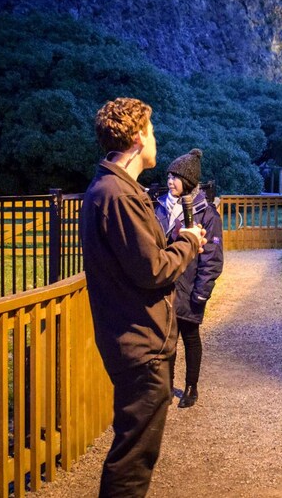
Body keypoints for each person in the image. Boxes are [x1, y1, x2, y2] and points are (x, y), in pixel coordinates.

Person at [80, 98, 206, 496]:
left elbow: (139, 261)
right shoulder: (118, 194)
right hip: (141, 346)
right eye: (151, 131)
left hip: (133, 339)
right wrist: (189, 243)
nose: (156, 139)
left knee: (133, 453)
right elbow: (153, 268)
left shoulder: (110, 189)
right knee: (133, 460)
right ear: (137, 137)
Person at [155, 149, 224, 409]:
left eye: (176, 177)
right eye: (169, 176)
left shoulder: (206, 213)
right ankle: (167, 385)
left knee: (190, 336)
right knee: (166, 340)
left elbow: (212, 259)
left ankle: (192, 387)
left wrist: (201, 293)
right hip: (164, 286)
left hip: (190, 286)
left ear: (189, 181)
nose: (170, 181)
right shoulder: (160, 206)